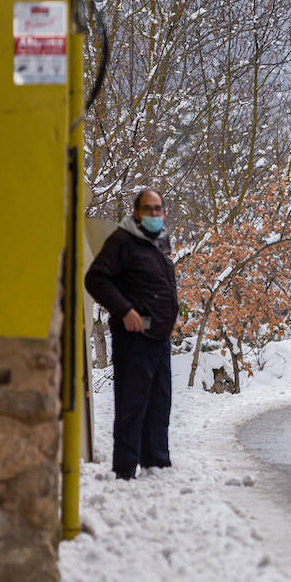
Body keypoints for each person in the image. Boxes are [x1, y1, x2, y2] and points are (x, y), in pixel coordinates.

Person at [84, 189, 179, 480]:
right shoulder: (122, 241)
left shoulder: (159, 243)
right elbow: (96, 278)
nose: (154, 214)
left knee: (159, 403)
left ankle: (156, 464)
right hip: (134, 337)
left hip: (159, 337)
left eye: (158, 209)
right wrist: (125, 310)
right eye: (148, 209)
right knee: (132, 403)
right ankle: (124, 469)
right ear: (136, 213)